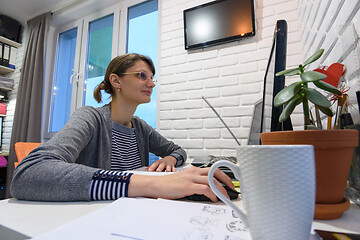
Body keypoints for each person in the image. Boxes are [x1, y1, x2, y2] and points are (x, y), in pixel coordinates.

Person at [11, 53, 234, 202]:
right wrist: (151, 184)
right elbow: (28, 174)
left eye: (152, 78)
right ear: (116, 81)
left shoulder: (140, 127)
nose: (151, 83)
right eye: (142, 76)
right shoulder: (90, 118)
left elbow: (176, 149)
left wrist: (170, 159)